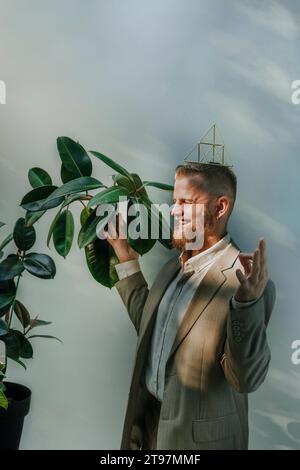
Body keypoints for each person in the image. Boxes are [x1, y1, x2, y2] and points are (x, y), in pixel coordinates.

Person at [104, 162, 276, 450]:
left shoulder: (246, 282)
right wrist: (127, 260)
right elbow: (151, 331)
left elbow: (245, 378)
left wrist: (246, 305)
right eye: (174, 202)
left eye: (186, 202)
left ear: (220, 208)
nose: (173, 211)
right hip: (147, 429)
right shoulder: (171, 270)